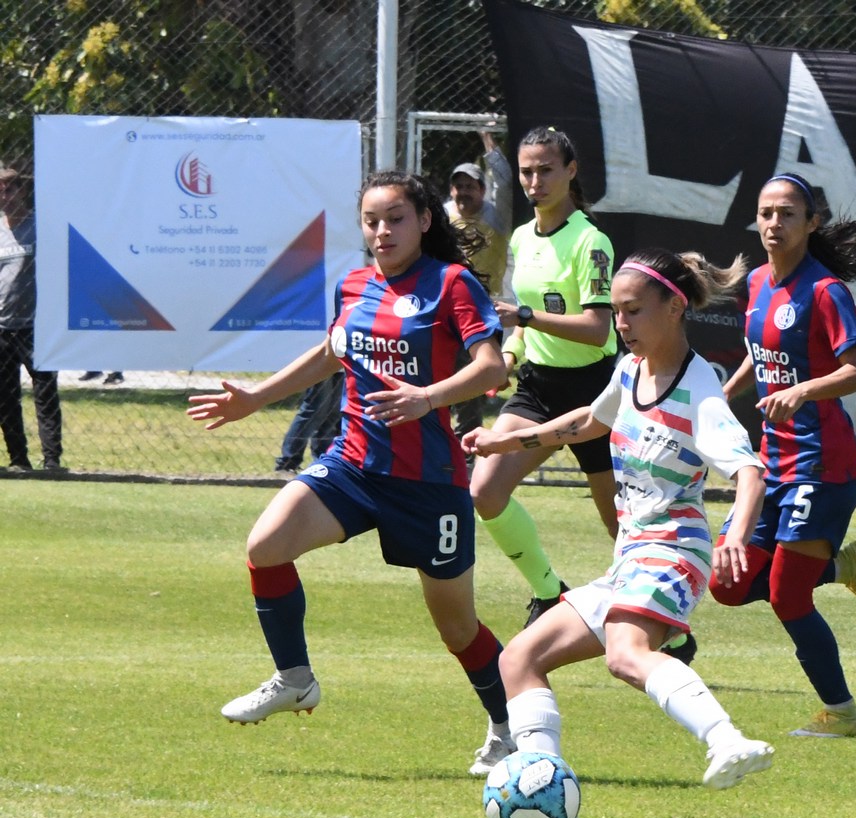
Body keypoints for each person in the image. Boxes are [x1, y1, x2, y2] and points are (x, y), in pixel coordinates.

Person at [186, 170, 517, 775]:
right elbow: (330, 352)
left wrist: (427, 397)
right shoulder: (355, 284)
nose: (382, 230)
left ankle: (507, 728)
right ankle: (294, 677)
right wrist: (255, 399)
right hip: (353, 465)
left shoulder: (452, 284)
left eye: (395, 218)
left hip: (429, 484)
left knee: (457, 627)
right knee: (266, 546)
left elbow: (491, 369)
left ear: (424, 220)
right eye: (371, 220)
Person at [464, 248, 774, 789]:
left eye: (633, 311)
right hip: (631, 554)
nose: (620, 324)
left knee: (625, 654)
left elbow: (750, 472)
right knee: (518, 658)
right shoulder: (630, 369)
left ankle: (728, 740)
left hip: (676, 548)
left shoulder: (699, 390)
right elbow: (590, 419)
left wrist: (736, 536)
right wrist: (503, 440)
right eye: (616, 310)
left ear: (674, 307)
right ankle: (542, 780)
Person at [471, 126, 699, 648]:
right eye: (526, 171)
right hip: (537, 388)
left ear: (570, 171)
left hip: (595, 394)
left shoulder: (591, 241)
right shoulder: (523, 237)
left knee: (622, 530)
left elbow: (598, 329)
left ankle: (669, 628)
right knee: (484, 491)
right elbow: (524, 327)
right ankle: (550, 592)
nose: (534, 180)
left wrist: (524, 315)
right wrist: (510, 352)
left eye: (545, 169)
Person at [708, 172, 856, 739]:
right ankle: (846, 566)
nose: (773, 223)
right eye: (765, 213)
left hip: (824, 464)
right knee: (729, 584)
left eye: (787, 213)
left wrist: (802, 390)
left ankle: (843, 713)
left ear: (811, 223)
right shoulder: (757, 282)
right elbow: (760, 351)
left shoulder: (825, 290)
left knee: (788, 595)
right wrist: (725, 392)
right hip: (773, 462)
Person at [445, 131, 514, 443]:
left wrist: (490, 147)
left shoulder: (496, 216)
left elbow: (504, 183)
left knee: (472, 376)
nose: (463, 192)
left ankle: (466, 442)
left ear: (482, 191)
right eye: (458, 186)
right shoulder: (443, 216)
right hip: (447, 306)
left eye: (470, 187)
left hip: (485, 308)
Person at [0, 161, 63, 473]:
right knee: (5, 398)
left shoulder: (42, 227)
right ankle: (18, 460)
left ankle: (52, 461)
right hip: (2, 328)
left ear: (21, 191)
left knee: (45, 393)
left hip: (37, 327)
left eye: (9, 189)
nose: (4, 196)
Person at [274, 371, 342, 473]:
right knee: (315, 409)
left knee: (333, 413)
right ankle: (288, 462)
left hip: (342, 364)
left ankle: (324, 462)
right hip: (322, 361)